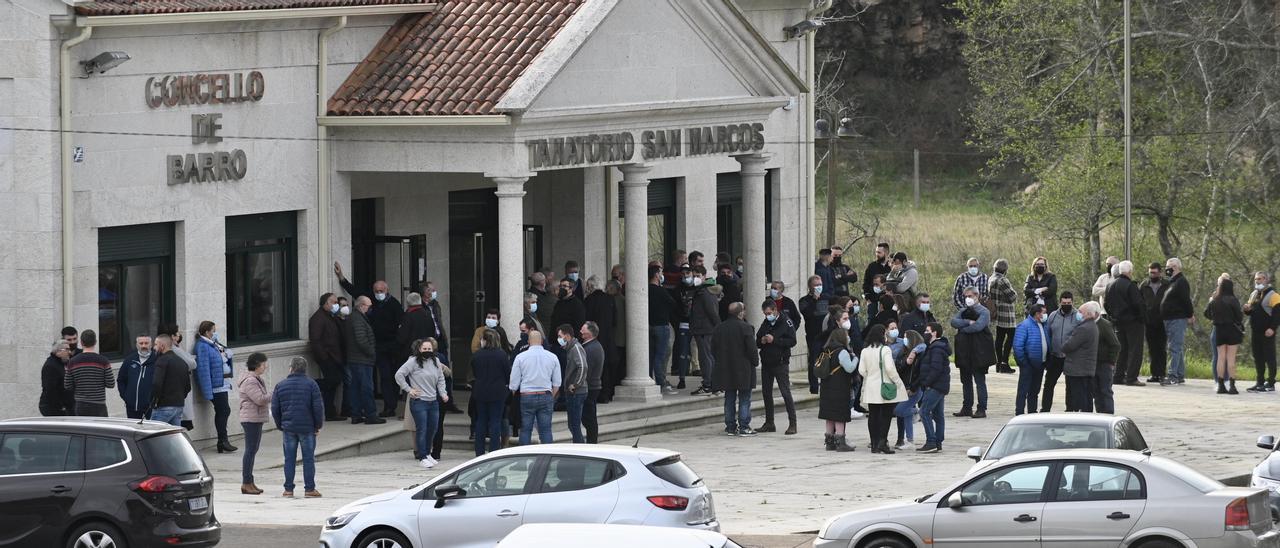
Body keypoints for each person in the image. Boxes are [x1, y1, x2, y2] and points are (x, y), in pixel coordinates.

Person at [335, 262, 404, 418]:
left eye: (381, 291)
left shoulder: (394, 305)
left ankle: (390, 405)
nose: (378, 293)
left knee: (389, 377)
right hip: (374, 346)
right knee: (374, 379)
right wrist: (341, 278)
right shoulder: (369, 301)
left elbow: (401, 325)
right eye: (376, 291)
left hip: (390, 346)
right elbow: (355, 292)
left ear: (387, 291)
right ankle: (370, 408)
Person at [272, 357, 324, 498]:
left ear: (291, 368)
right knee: (308, 459)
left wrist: (280, 425)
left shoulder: (280, 385)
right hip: (307, 428)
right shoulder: (312, 384)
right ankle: (309, 489)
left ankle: (288, 489)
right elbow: (318, 408)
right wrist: (318, 425)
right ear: (304, 369)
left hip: (289, 428)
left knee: (289, 459)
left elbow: (275, 408)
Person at [396, 338, 450, 468]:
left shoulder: (436, 361)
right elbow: (399, 375)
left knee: (433, 428)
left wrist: (443, 393)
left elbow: (441, 378)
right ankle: (422, 456)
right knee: (422, 428)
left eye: (429, 349)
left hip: (433, 401)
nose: (427, 351)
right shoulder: (413, 362)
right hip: (419, 401)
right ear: (419, 349)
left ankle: (428, 453)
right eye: (424, 349)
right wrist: (409, 389)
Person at [859, 324, 907, 454]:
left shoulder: (865, 351)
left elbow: (861, 370)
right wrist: (897, 382)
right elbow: (890, 369)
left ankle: (874, 444)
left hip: (870, 387)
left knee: (873, 416)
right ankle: (882, 442)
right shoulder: (885, 350)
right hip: (884, 386)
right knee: (885, 416)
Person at [712, 302, 758, 437]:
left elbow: (713, 349)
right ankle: (744, 426)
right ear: (741, 313)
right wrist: (755, 362)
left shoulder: (719, 328)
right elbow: (752, 349)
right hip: (743, 368)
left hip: (726, 368)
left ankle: (730, 427)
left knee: (730, 397)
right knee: (744, 398)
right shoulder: (746, 328)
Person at [510, 331, 561, 445]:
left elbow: (513, 384)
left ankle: (524, 457)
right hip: (545, 394)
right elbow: (557, 383)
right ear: (542, 341)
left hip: (527, 396)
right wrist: (550, 396)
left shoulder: (520, 357)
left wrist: (514, 396)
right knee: (546, 430)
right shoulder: (552, 357)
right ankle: (547, 457)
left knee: (525, 429)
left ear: (528, 342)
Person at [950, 287, 995, 419]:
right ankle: (967, 407)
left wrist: (963, 328)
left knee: (979, 380)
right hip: (965, 351)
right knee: (966, 381)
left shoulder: (984, 311)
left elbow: (978, 326)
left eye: (969, 296)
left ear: (977, 295)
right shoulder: (963, 311)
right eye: (966, 296)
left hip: (979, 351)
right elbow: (954, 322)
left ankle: (982, 408)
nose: (967, 298)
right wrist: (968, 322)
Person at [1104, 260, 1148, 386]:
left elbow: (1106, 304)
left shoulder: (1110, 285)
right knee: (1135, 350)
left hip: (1117, 322)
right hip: (1133, 322)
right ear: (1129, 271)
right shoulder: (1130, 285)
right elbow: (1138, 304)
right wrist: (1142, 318)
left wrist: (1112, 317)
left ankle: (1117, 376)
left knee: (1121, 350)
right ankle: (1131, 377)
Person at [194, 321, 237, 452]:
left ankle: (223, 441)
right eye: (213, 330)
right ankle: (222, 441)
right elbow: (203, 370)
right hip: (215, 385)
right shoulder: (202, 346)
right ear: (207, 332)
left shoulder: (213, 344)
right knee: (224, 410)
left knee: (224, 411)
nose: (215, 332)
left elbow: (227, 354)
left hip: (221, 383)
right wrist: (207, 392)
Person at [757, 301, 798, 435]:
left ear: (775, 310)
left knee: (785, 392)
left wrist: (774, 340)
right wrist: (762, 340)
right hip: (767, 362)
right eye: (765, 314)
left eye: (769, 313)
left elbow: (792, 341)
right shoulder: (766, 322)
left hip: (780, 362)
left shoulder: (786, 322)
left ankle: (792, 423)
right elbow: (758, 338)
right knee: (766, 392)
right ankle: (769, 422)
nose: (767, 316)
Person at [818, 319, 858, 452]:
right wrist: (855, 358)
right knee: (839, 414)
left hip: (826, 386)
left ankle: (829, 442)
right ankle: (840, 441)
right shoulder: (842, 352)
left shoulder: (826, 350)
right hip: (839, 387)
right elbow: (850, 368)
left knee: (829, 415)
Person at [344, 296, 385, 425]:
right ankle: (371, 415)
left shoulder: (354, 317)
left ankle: (356, 414)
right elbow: (361, 340)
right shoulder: (357, 319)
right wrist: (372, 353)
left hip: (355, 358)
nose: (370, 308)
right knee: (366, 388)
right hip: (362, 359)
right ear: (361, 306)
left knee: (355, 388)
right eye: (369, 306)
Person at [237, 352, 272, 495]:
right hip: (250, 419)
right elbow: (260, 399)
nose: (265, 367)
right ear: (257, 365)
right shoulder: (250, 380)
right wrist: (275, 392)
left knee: (252, 450)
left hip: (254, 418)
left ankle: (250, 481)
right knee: (250, 451)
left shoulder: (255, 379)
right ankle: (246, 482)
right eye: (264, 364)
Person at [308, 292, 346, 421]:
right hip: (327, 357)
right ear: (326, 303)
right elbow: (315, 340)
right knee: (333, 380)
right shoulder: (318, 318)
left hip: (335, 356)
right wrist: (324, 357)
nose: (336, 305)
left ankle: (330, 412)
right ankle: (312, 384)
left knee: (333, 385)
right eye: (334, 302)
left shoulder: (331, 316)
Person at [1206, 276, 1245, 394]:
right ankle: (1232, 386)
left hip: (1219, 329)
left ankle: (1220, 384)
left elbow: (1207, 313)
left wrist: (1215, 318)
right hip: (1231, 329)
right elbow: (1239, 317)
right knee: (1231, 358)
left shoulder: (1214, 300)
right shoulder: (1233, 300)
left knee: (1220, 358)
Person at [1042, 292, 1081, 411]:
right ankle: (1045, 409)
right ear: (1060, 302)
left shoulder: (1078, 316)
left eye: (1069, 303)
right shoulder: (1053, 315)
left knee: (1070, 385)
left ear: (1072, 302)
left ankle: (1070, 409)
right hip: (1055, 356)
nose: (1066, 305)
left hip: (1070, 357)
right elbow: (1047, 333)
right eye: (1064, 303)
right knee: (1049, 384)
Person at [915, 323, 950, 453]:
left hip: (935, 386)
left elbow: (935, 369)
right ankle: (938, 441)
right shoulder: (934, 347)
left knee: (924, 411)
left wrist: (927, 383)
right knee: (938, 414)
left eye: (928, 330)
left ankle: (931, 441)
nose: (925, 332)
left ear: (935, 333)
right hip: (940, 385)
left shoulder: (936, 348)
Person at [157, 324, 198, 430]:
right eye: (176, 333)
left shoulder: (175, 349)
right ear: (171, 337)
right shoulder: (174, 350)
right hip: (174, 398)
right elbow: (192, 363)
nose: (179, 335)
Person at [1160, 258, 1194, 385]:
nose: (1167, 269)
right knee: (1176, 347)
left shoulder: (1181, 282)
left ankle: (1172, 375)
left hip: (1177, 319)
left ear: (1176, 267)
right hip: (1169, 318)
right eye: (1167, 266)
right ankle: (1179, 374)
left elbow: (1186, 300)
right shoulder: (1172, 282)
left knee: (1174, 347)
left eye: (1170, 266)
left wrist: (1190, 314)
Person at [64, 329, 113, 417]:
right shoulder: (104, 361)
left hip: (80, 404)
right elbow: (111, 384)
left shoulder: (72, 362)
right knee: (100, 430)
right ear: (95, 342)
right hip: (99, 404)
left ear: (81, 343)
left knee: (82, 429)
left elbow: (68, 385)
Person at [1062, 302, 1101, 412]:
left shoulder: (1083, 329)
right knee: (1086, 397)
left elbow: (1068, 346)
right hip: (1085, 369)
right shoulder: (1093, 326)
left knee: (1078, 399)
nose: (1078, 314)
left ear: (1088, 314)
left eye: (1080, 312)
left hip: (1077, 370)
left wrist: (1064, 345)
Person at [1012, 304, 1050, 415]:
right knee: (1023, 390)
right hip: (1028, 364)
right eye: (1044, 312)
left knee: (1035, 390)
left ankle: (1032, 412)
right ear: (1037, 314)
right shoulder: (1024, 326)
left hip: (1040, 364)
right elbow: (1018, 346)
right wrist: (1023, 362)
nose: (1045, 315)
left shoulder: (1043, 325)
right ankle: (1019, 412)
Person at [689, 268, 721, 396]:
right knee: (707, 357)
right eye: (694, 275)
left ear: (704, 276)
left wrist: (718, 328)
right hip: (702, 329)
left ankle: (709, 384)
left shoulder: (705, 292)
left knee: (706, 357)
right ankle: (712, 383)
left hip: (704, 329)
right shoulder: (702, 291)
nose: (695, 278)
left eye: (697, 275)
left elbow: (712, 312)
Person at [1245, 272, 1279, 392]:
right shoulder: (1254, 294)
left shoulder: (1274, 295)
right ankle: (1259, 382)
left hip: (1268, 332)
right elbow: (1250, 311)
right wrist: (1247, 310)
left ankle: (1270, 383)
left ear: (1266, 280)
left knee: (1270, 357)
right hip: (1256, 332)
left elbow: (1277, 315)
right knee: (1258, 357)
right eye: (1255, 279)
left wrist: (1272, 328)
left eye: (1259, 279)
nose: (1257, 281)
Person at [648, 265, 678, 394]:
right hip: (661, 326)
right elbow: (673, 304)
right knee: (660, 356)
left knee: (650, 356)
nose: (662, 275)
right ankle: (661, 383)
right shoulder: (661, 291)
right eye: (660, 272)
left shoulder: (646, 290)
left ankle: (650, 379)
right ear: (656, 275)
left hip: (649, 326)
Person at [892, 330, 925, 450]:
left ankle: (917, 412)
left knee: (899, 411)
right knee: (905, 415)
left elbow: (923, 345)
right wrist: (906, 362)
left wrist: (914, 351)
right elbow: (899, 368)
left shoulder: (919, 352)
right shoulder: (903, 352)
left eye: (906, 337)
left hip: (914, 388)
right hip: (903, 387)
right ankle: (909, 440)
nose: (904, 339)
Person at [558, 324, 590, 443]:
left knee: (575, 425)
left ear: (567, 336)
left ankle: (580, 450)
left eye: (560, 336)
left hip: (577, 392)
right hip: (573, 392)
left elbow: (583, 366)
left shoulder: (576, 348)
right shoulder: (570, 349)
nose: (559, 339)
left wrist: (576, 384)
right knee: (572, 425)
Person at [798, 275, 830, 395]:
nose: (818, 287)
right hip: (813, 336)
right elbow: (807, 313)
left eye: (820, 284)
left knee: (827, 360)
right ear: (810, 287)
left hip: (826, 335)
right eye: (816, 285)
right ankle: (814, 387)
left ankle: (826, 385)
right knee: (814, 361)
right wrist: (814, 300)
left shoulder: (827, 298)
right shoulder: (804, 300)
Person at [150, 334, 191, 427]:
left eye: (156, 345)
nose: (154, 348)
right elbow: (188, 386)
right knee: (172, 436)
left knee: (154, 436)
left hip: (164, 406)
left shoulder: (162, 361)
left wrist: (153, 401)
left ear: (162, 346)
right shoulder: (182, 361)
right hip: (179, 405)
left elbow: (156, 384)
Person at [1139, 263, 1169, 384]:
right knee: (1152, 348)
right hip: (1149, 320)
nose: (1153, 275)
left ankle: (1161, 373)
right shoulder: (1144, 285)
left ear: (1160, 273)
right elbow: (1140, 301)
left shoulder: (1167, 285)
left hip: (1163, 320)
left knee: (1161, 348)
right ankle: (1154, 374)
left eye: (1155, 272)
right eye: (1151, 272)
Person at [989, 259, 1019, 375]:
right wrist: (1008, 297)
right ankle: (1005, 363)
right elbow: (1012, 297)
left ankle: (998, 363)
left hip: (996, 311)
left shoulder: (991, 278)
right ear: (1005, 270)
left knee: (999, 338)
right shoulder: (1002, 280)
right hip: (1006, 312)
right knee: (1010, 337)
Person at [117, 335, 156, 419]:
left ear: (151, 344)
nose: (144, 346)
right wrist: (126, 397)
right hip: (132, 406)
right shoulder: (129, 360)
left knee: (152, 430)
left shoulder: (157, 360)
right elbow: (121, 380)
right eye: (141, 343)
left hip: (151, 407)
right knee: (133, 431)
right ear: (136, 345)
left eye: (146, 343)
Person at [579, 322, 605, 443]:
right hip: (593, 386)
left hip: (590, 387)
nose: (580, 331)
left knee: (588, 418)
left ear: (589, 333)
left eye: (583, 330)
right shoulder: (593, 346)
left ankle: (592, 442)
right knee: (589, 417)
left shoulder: (591, 348)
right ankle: (592, 441)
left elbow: (586, 370)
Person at [604, 278, 627, 402]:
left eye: (609, 288)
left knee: (614, 368)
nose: (606, 290)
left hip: (615, 340)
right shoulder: (624, 301)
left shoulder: (613, 301)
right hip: (621, 340)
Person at [1093, 312, 1121, 414]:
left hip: (1104, 363)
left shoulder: (1104, 325)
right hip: (1094, 363)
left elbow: (1115, 344)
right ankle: (1100, 412)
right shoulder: (1091, 324)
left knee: (1105, 390)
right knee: (1096, 391)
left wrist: (1111, 361)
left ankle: (1108, 413)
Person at [39, 340, 76, 416]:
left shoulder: (62, 363)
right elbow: (50, 389)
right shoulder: (50, 366)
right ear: (58, 351)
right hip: (55, 408)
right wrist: (61, 406)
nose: (69, 352)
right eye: (67, 349)